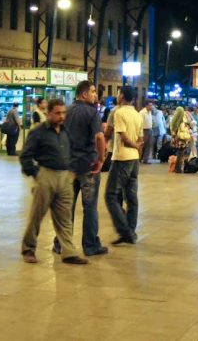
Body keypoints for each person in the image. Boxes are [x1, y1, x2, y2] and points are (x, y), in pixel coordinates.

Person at [19, 98, 88, 265]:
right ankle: (28, 249)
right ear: (48, 113)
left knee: (65, 217)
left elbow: (72, 151)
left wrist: (72, 171)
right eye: (58, 113)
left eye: (63, 112)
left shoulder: (65, 132)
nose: (62, 116)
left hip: (64, 178)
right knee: (37, 215)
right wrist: (37, 174)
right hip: (46, 176)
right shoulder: (38, 132)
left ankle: (69, 252)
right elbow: (26, 156)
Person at [52, 81, 108, 257]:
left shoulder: (65, 111)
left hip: (69, 166)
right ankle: (90, 245)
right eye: (92, 92)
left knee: (66, 206)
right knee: (90, 207)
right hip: (88, 166)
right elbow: (99, 137)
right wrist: (101, 158)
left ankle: (60, 243)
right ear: (84, 94)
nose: (95, 95)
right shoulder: (91, 113)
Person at [105, 85, 143, 245]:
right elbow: (141, 140)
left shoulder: (119, 113)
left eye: (118, 93)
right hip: (134, 160)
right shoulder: (137, 114)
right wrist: (137, 148)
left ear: (121, 96)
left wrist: (133, 146)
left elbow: (123, 137)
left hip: (122, 158)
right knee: (131, 197)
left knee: (110, 195)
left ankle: (125, 231)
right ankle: (131, 230)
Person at [169, 107, 191, 174]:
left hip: (176, 138)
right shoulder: (182, 121)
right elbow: (184, 129)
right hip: (181, 139)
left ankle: (177, 167)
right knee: (180, 154)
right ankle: (178, 168)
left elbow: (172, 130)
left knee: (179, 153)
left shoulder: (174, 120)